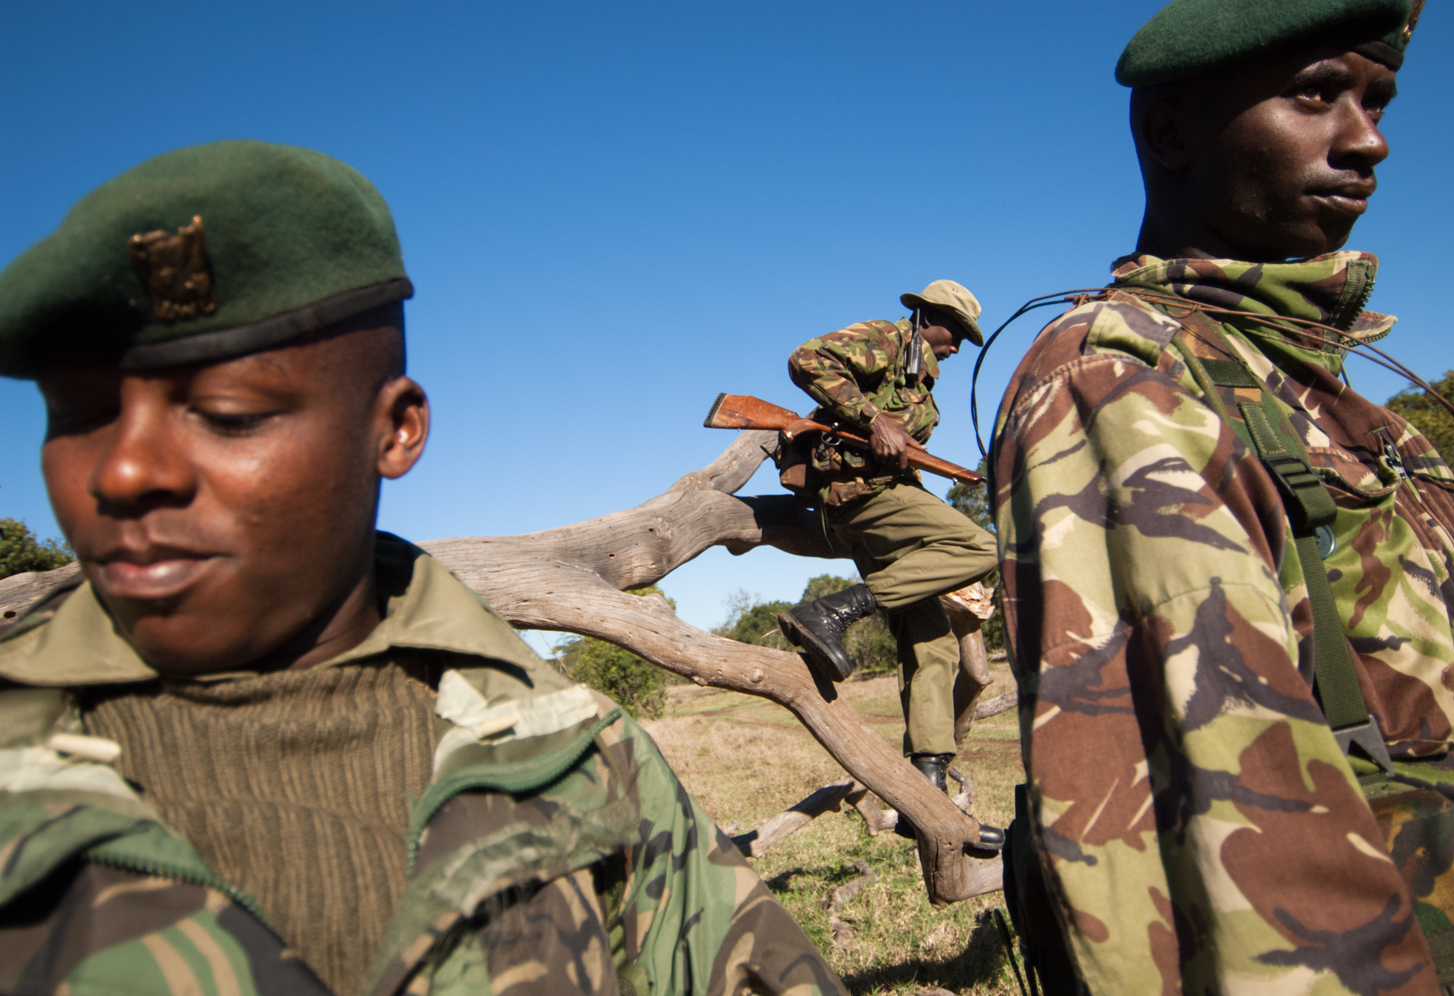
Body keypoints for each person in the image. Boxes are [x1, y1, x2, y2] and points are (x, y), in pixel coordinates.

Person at [0, 141, 847, 996]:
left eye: (225, 416)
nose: (124, 472)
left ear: (396, 431)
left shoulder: (571, 751)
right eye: (79, 414)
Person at [989, 0, 1454, 993]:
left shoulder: (1339, 399)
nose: (1369, 140)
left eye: (1378, 99)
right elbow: (1245, 840)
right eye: (1317, 94)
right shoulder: (1124, 378)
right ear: (1172, 131)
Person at [776, 281, 1001, 847]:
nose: (958, 347)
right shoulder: (884, 340)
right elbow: (807, 357)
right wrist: (873, 417)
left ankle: (926, 794)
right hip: (859, 495)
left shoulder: (923, 382)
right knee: (982, 546)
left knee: (934, 646)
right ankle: (834, 610)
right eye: (957, 333)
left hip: (885, 496)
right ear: (930, 316)